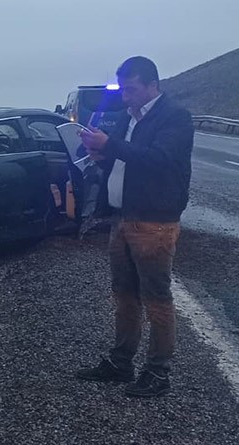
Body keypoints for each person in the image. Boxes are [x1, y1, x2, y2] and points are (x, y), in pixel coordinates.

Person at [74, 56, 194, 398]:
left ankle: (158, 372)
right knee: (124, 296)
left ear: (152, 85)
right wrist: (103, 156)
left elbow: (160, 160)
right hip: (123, 217)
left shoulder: (175, 118)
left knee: (156, 298)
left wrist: (110, 145)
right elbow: (126, 160)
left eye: (131, 89)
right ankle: (121, 362)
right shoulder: (130, 117)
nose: (125, 96)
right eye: (123, 89)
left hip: (154, 222)